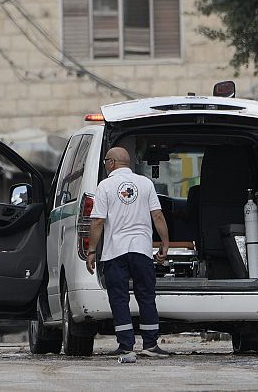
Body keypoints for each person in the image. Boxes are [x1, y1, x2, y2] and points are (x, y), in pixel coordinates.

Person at [85, 147, 171, 358]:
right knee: (146, 296)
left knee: (119, 297)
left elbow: (98, 221)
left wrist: (91, 250)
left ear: (112, 163)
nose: (105, 165)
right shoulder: (145, 183)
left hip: (115, 251)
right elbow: (157, 216)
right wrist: (165, 244)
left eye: (106, 161)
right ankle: (150, 344)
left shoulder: (105, 186)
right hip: (142, 249)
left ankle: (126, 345)